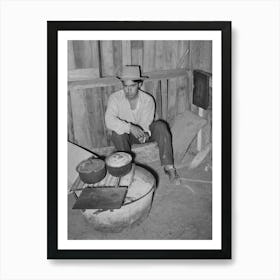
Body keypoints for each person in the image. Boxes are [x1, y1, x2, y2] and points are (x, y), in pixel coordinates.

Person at [105, 65, 180, 184]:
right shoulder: (115, 98)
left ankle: (169, 167)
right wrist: (129, 127)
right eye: (125, 86)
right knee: (117, 133)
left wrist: (145, 133)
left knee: (161, 125)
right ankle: (127, 170)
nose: (128, 90)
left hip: (143, 133)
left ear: (139, 84)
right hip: (126, 136)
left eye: (132, 86)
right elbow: (109, 120)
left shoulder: (148, 99)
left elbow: (147, 122)